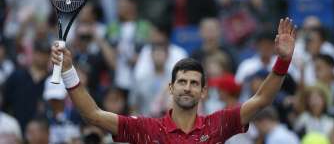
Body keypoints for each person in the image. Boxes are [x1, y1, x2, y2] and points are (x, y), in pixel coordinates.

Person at [50, 18, 296, 143]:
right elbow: (92, 114)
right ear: (171, 87)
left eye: (193, 83)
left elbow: (262, 99)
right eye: (182, 82)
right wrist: (69, 70)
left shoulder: (217, 125)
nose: (187, 87)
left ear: (203, 92)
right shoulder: (145, 129)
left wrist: (283, 61)